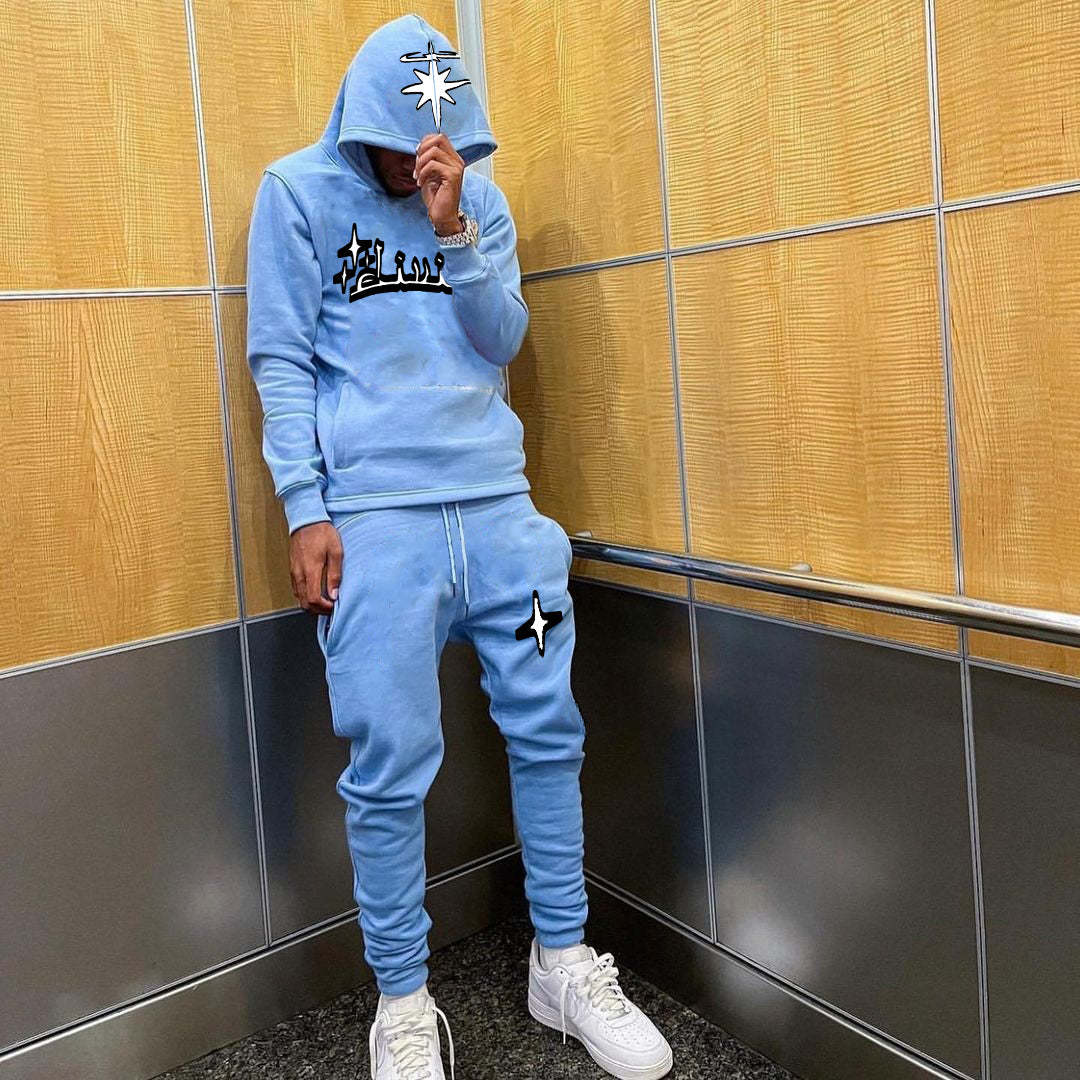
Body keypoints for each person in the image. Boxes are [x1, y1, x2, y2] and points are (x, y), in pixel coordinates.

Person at [246, 13, 673, 1080]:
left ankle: (563, 962)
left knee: (550, 733)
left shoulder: (476, 200)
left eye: (433, 146)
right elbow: (281, 358)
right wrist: (304, 507)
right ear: (360, 122)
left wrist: (454, 230)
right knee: (388, 765)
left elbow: (502, 339)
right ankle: (401, 1003)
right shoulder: (296, 193)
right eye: (395, 147)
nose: (416, 163)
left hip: (498, 509)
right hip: (376, 523)